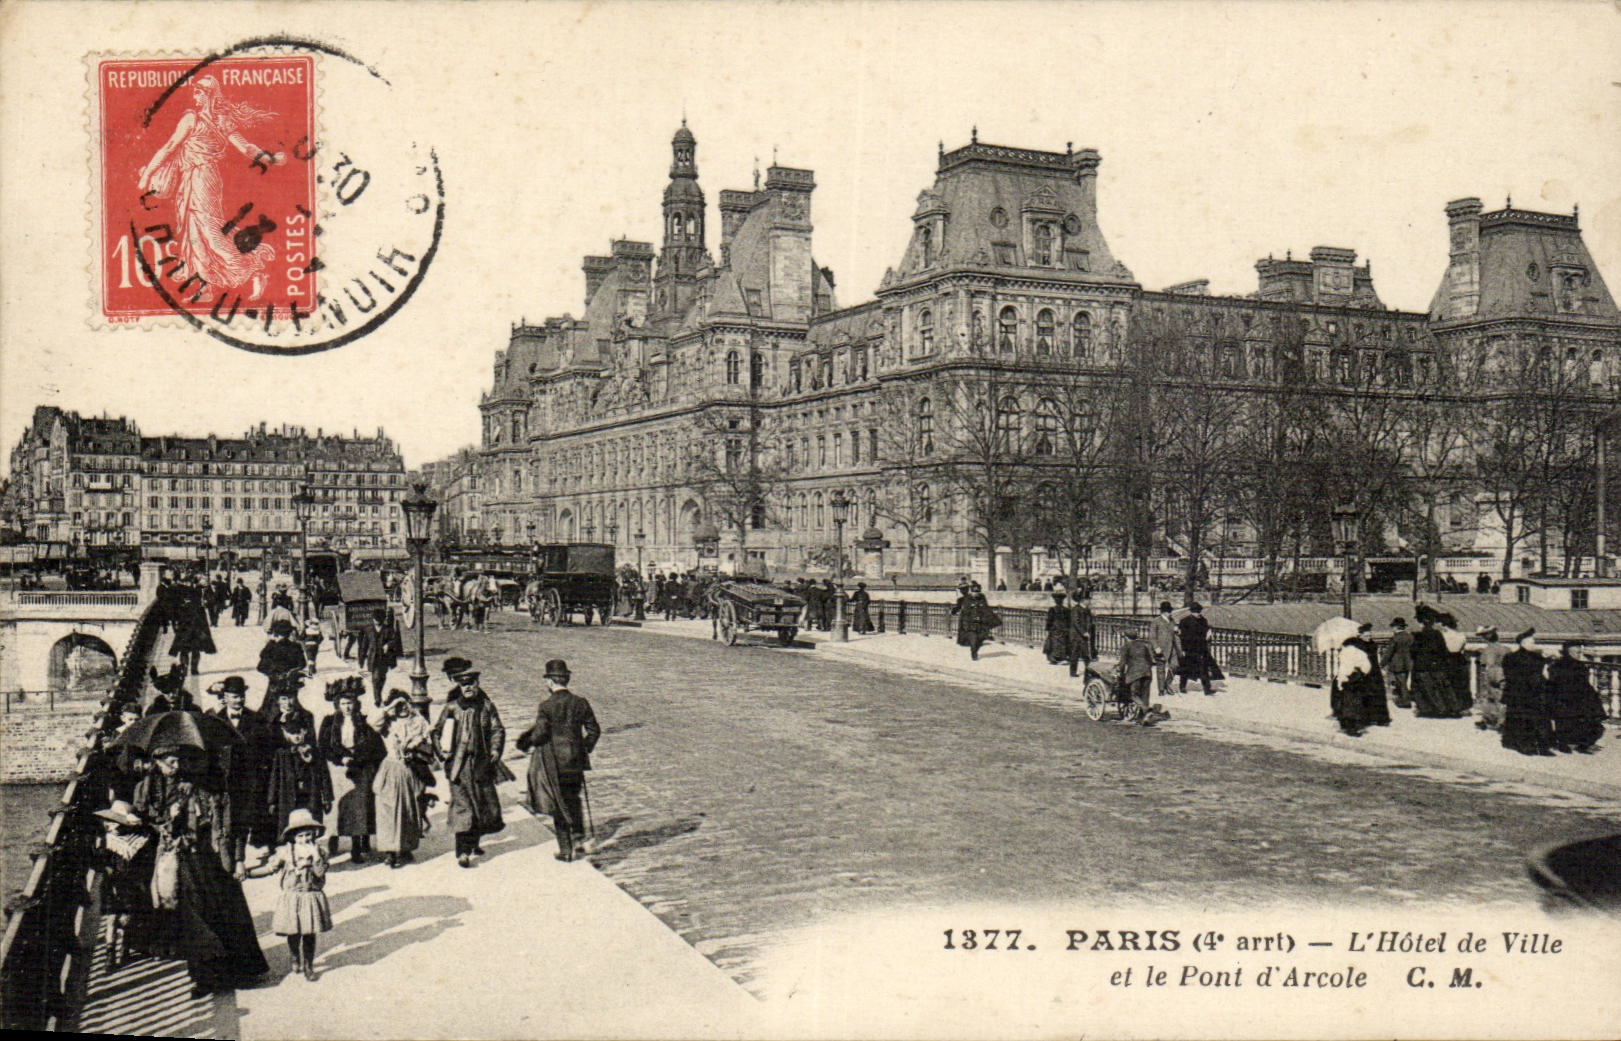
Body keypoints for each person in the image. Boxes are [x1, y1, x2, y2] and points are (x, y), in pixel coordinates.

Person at [133, 745, 269, 998]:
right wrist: (169, 818)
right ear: (158, 762)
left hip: (213, 859)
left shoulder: (203, 787)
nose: (176, 768)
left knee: (228, 913)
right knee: (195, 918)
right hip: (185, 860)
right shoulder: (155, 789)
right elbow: (153, 824)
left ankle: (241, 972)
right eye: (171, 763)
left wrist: (238, 859)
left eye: (180, 762)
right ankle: (205, 978)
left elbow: (229, 823)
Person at [516, 659, 602, 862]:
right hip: (576, 762)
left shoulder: (546, 706)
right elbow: (594, 730)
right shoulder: (580, 702)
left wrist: (527, 742)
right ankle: (578, 839)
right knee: (574, 799)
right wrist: (583, 748)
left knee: (558, 804)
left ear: (550, 681)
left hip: (554, 763)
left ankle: (566, 850)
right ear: (566, 679)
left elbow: (540, 734)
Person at [434, 659, 510, 867]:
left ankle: (474, 843)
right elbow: (437, 732)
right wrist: (442, 753)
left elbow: (497, 729)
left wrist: (495, 750)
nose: (468, 688)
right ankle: (462, 852)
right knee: (463, 807)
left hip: (481, 763)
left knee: (480, 804)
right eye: (463, 685)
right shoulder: (451, 708)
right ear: (459, 686)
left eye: (471, 684)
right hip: (459, 766)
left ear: (477, 684)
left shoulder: (486, 707)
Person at [250, 808, 332, 982]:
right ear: (293, 837)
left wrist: (316, 857)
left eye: (308, 834)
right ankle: (295, 956)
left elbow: (320, 873)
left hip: (310, 896)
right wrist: (249, 873)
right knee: (293, 933)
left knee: (309, 933)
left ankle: (309, 965)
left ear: (314, 834)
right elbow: (269, 868)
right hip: (292, 897)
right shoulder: (285, 852)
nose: (305, 839)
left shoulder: (320, 852)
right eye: (300, 836)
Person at [205, 676, 274, 872]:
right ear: (225, 697)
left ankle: (240, 859)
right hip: (224, 780)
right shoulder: (215, 720)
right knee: (224, 821)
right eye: (234, 696)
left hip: (248, 780)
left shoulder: (256, 719)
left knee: (243, 819)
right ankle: (226, 861)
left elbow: (266, 749)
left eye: (241, 696)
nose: (239, 700)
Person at [318, 679, 384, 864]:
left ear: (356, 703)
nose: (347, 707)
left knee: (360, 807)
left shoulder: (362, 721)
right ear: (337, 704)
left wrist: (360, 757)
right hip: (337, 769)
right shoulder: (329, 722)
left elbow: (374, 745)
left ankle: (359, 844)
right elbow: (323, 746)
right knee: (337, 806)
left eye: (350, 703)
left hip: (360, 767)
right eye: (343, 703)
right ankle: (333, 839)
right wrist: (341, 758)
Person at [371, 689, 432, 868]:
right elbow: (372, 724)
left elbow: (428, 740)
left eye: (405, 704)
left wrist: (415, 748)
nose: (403, 708)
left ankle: (405, 848)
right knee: (388, 811)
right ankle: (390, 851)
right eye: (399, 705)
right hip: (390, 769)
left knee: (409, 809)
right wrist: (389, 707)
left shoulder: (419, 721)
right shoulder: (389, 723)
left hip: (410, 770)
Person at [94, 799, 157, 970]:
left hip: (116, 883)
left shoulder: (108, 840)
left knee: (114, 917)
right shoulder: (139, 840)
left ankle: (113, 953)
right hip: (125, 883)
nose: (108, 825)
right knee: (122, 917)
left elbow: (100, 862)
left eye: (112, 822)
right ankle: (119, 951)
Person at [1500, 629, 1554, 756]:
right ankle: (1528, 745)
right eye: (1531, 642)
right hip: (1522, 693)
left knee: (1534, 719)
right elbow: (1511, 676)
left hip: (1530, 692)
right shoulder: (1514, 657)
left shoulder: (1534, 657)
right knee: (1525, 719)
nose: (1533, 644)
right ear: (1523, 643)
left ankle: (1537, 746)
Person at [1546, 643, 1606, 754]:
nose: (1579, 654)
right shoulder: (1567, 665)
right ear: (1569, 652)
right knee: (1577, 720)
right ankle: (1576, 744)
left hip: (1572, 698)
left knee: (1579, 721)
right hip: (1569, 698)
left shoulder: (1562, 665)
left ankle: (1577, 744)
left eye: (1580, 652)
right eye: (1577, 652)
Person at [168, 578, 216, 676]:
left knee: (185, 651)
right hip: (195, 633)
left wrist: (177, 629)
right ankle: (193, 669)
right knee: (194, 651)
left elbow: (177, 620)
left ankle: (185, 669)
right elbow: (204, 623)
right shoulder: (198, 608)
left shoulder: (184, 607)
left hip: (187, 633)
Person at [355, 608, 402, 706]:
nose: (376, 622)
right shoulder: (368, 630)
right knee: (375, 678)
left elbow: (395, 640)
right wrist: (361, 659)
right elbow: (364, 646)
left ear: (383, 620)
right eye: (375, 619)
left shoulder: (388, 630)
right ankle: (377, 699)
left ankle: (378, 694)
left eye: (378, 620)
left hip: (384, 658)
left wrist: (388, 645)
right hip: (373, 658)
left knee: (382, 677)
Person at [1117, 626, 1157, 724]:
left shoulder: (1126, 647)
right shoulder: (1143, 646)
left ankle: (1146, 710)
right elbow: (1151, 660)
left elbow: (1122, 664)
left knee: (1134, 694)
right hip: (1147, 673)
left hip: (1135, 674)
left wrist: (1120, 673)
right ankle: (1143, 718)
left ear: (1126, 637)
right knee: (1145, 695)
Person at [1176, 603, 1217, 696]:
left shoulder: (1203, 621)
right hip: (1189, 649)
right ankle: (1182, 686)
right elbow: (1182, 637)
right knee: (1185, 669)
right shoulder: (1184, 621)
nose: (1198, 614)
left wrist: (1208, 635)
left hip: (1201, 648)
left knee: (1204, 669)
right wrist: (1183, 649)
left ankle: (1207, 689)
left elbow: (1206, 632)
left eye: (1199, 612)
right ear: (1191, 612)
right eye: (1196, 612)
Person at [951, 581, 998, 661]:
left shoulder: (982, 597)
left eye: (977, 591)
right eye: (974, 592)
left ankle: (975, 649)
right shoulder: (966, 599)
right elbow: (964, 612)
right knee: (973, 638)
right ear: (971, 591)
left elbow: (986, 608)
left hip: (981, 623)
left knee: (981, 637)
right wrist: (964, 623)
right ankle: (974, 653)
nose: (976, 593)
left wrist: (991, 620)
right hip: (971, 624)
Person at [1474, 626, 1508, 731]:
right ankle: (1500, 721)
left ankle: (1491, 720)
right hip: (1504, 674)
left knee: (1490, 698)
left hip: (1493, 674)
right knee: (1501, 698)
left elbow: (1489, 664)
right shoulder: (1505, 648)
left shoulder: (1489, 650)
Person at [258, 619, 306, 685]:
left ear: (275, 634)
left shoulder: (271, 646)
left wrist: (272, 673)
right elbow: (302, 664)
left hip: (275, 683)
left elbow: (261, 667)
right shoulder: (296, 646)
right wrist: (292, 672)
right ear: (289, 633)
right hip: (291, 684)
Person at [1381, 616, 1414, 709]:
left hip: (1397, 663)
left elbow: (1389, 652)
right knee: (1405, 681)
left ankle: (1405, 701)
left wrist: (1382, 663)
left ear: (1396, 627)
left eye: (1393, 627)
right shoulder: (1410, 637)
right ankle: (1404, 699)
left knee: (1401, 683)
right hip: (1408, 662)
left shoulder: (1395, 638)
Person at [1149, 602, 1180, 697]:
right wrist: (1156, 647)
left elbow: (1175, 635)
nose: (1170, 613)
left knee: (1175, 666)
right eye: (1168, 611)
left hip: (1172, 648)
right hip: (1161, 649)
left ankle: (1167, 683)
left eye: (1170, 611)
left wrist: (1177, 631)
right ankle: (1161, 689)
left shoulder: (1172, 621)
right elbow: (1152, 636)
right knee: (1160, 669)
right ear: (1163, 612)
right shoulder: (1156, 621)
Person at [1066, 588, 1097, 679]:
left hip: (1084, 636)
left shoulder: (1087, 610)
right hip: (1076, 636)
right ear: (1083, 600)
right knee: (1075, 654)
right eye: (1088, 600)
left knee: (1086, 655)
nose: (1089, 601)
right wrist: (1084, 632)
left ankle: (1089, 672)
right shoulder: (1076, 610)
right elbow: (1076, 622)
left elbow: (1089, 622)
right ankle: (1073, 672)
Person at [1042, 592, 1071, 665]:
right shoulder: (1066, 610)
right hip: (1064, 628)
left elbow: (1049, 620)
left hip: (1054, 628)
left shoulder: (1052, 609)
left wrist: (1047, 629)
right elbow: (1069, 620)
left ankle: (1054, 658)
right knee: (1063, 643)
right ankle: (1063, 658)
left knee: (1054, 643)